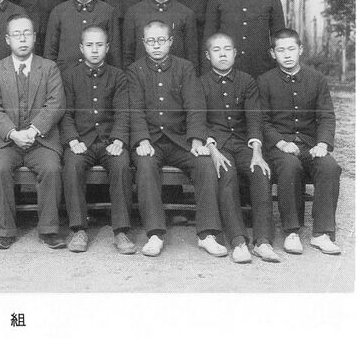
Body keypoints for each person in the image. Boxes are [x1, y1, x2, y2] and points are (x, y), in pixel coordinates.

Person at [127, 20, 226, 258]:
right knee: (145, 166)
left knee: (204, 164)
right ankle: (155, 234)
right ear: (144, 43)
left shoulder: (185, 68)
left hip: (181, 140)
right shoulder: (135, 70)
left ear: (170, 41)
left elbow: (195, 106)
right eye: (151, 41)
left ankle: (207, 234)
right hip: (151, 140)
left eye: (161, 40)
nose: (156, 45)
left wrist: (196, 140)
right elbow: (135, 110)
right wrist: (142, 140)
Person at [0, 14, 66, 250]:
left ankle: (49, 230)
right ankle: (4, 231)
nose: (22, 39)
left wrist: (33, 131)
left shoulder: (49, 68)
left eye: (26, 33)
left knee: (51, 168)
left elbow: (56, 103)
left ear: (34, 37)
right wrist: (13, 133)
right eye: (16, 34)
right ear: (7, 39)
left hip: (41, 139)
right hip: (6, 141)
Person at [258, 28, 341, 255]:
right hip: (279, 147)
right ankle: (291, 231)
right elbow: (263, 121)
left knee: (329, 167)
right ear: (273, 54)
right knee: (289, 165)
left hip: (309, 144)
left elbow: (326, 116)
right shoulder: (265, 81)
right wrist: (281, 143)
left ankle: (322, 233)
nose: (287, 55)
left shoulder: (317, 79)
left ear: (300, 50)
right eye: (281, 50)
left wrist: (322, 144)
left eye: (291, 49)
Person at [200, 32, 281, 263]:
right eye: (216, 50)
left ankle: (263, 241)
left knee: (260, 172)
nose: (222, 54)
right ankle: (238, 241)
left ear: (235, 53)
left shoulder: (247, 81)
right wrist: (212, 149)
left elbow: (254, 118)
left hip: (243, 143)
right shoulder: (200, 83)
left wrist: (257, 151)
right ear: (208, 56)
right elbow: (198, 120)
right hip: (219, 145)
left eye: (227, 49)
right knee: (226, 173)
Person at [60, 25, 135, 254]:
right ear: (81, 48)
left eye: (99, 45)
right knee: (72, 165)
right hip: (81, 140)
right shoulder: (70, 76)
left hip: (109, 141)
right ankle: (78, 228)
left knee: (121, 165)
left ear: (107, 47)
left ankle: (121, 230)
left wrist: (118, 140)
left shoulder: (118, 76)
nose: (94, 50)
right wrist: (73, 140)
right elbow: (65, 113)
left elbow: (122, 112)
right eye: (90, 45)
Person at [123, 0, 198, 70]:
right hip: (142, 77)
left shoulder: (186, 14)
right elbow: (128, 55)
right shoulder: (133, 13)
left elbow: (192, 57)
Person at [43, 0, 121, 69]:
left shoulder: (107, 12)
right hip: (65, 73)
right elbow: (50, 53)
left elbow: (114, 53)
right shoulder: (59, 12)